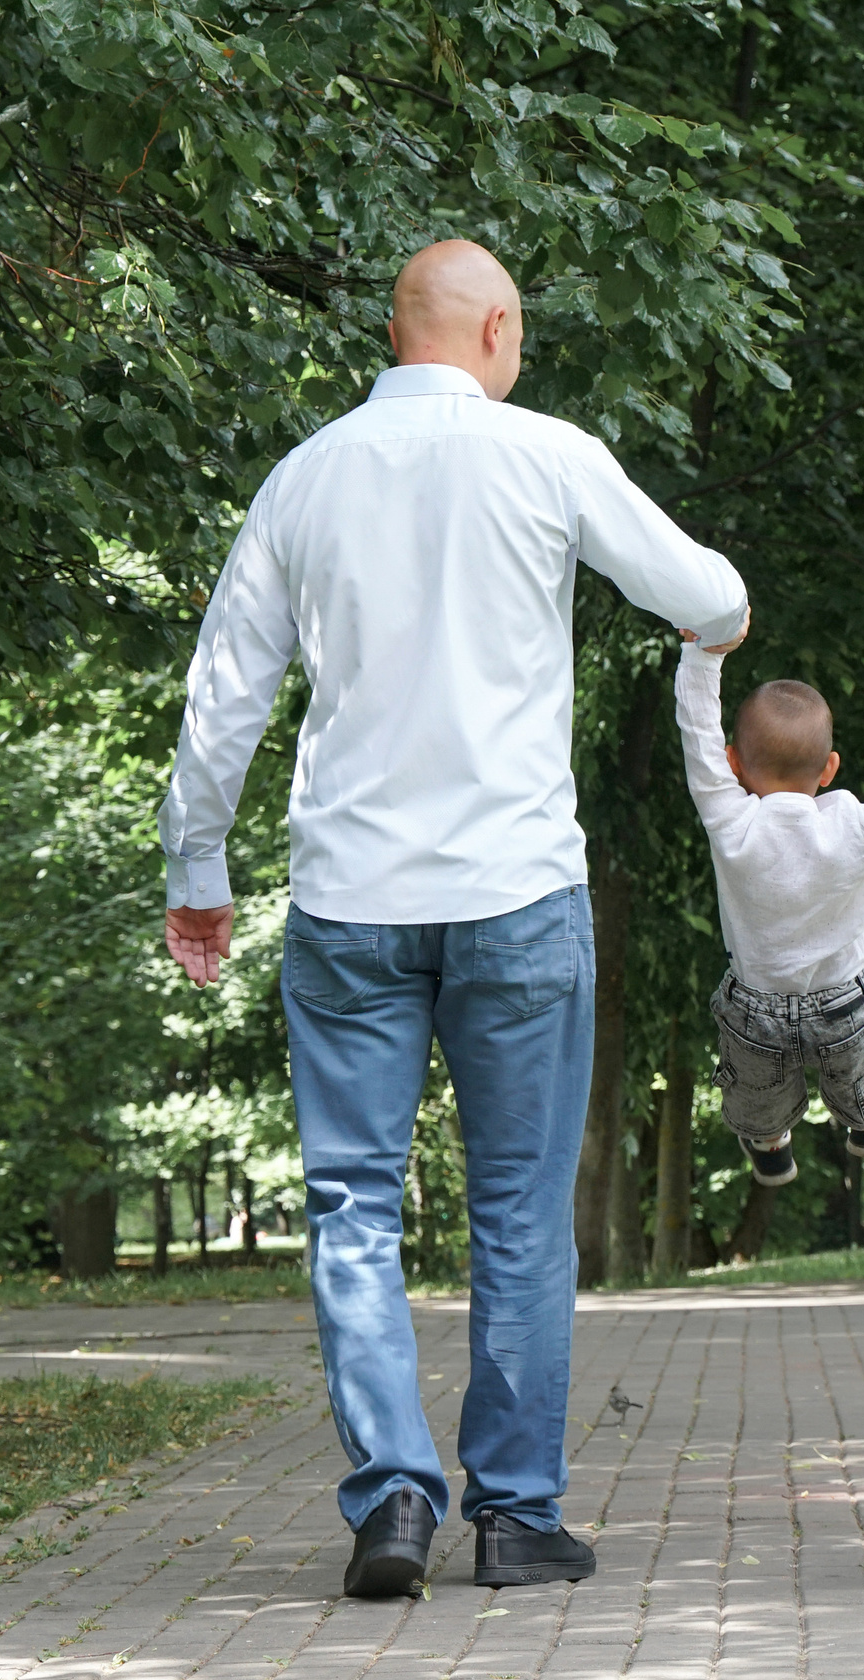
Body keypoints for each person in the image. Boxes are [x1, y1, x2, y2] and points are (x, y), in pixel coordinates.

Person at [155, 239, 749, 1599]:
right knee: (522, 1212)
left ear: (389, 328)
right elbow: (708, 596)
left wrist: (200, 868)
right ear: (494, 328)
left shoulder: (304, 477)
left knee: (351, 1206)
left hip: (350, 904)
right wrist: (720, 633)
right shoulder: (548, 457)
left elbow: (224, 696)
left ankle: (392, 1499)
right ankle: (518, 1512)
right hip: (517, 898)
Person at [673, 639, 864, 1187]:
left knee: (757, 1096)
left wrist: (702, 657)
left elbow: (697, 732)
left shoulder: (729, 819)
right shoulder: (853, 824)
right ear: (829, 768)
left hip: (754, 1002)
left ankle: (767, 1141)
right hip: (844, 1001)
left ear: (732, 763)